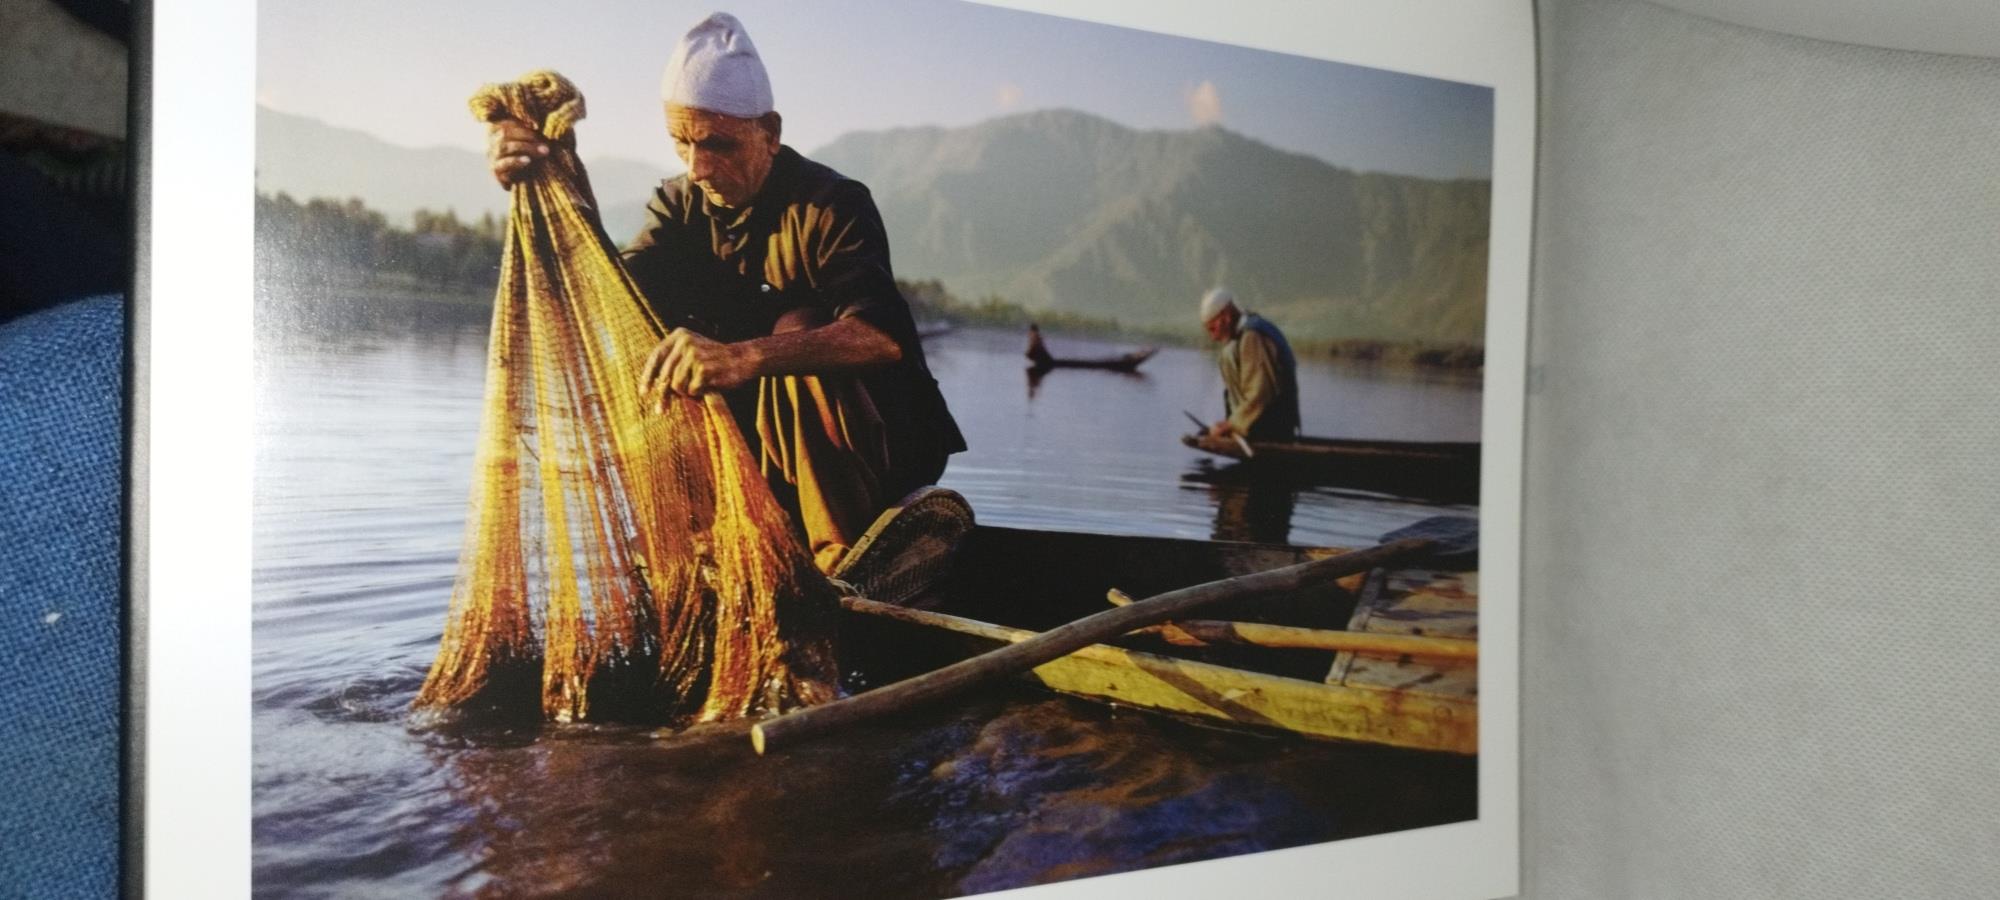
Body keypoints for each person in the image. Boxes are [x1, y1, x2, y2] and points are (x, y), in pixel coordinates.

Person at [487, 13, 964, 573]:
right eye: (681, 143)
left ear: (770, 133)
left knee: (799, 329)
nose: (699, 167)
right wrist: (552, 182)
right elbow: (611, 296)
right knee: (666, 353)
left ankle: (841, 564)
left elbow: (879, 340)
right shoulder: (679, 204)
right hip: (765, 457)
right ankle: (700, 549)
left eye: (718, 145)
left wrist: (743, 357)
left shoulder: (832, 204)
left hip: (880, 453)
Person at [1198, 286, 1300, 442]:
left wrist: (1230, 425)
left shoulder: (1252, 336)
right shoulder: (1240, 337)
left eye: (1213, 328)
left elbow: (1259, 392)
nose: (1213, 337)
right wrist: (1232, 424)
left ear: (1226, 316)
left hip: (1274, 430)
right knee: (1227, 353)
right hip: (1257, 425)